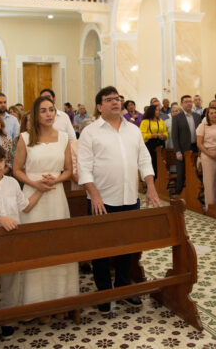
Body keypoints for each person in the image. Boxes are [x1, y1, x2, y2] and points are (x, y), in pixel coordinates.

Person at [78, 86, 161, 314]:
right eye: (109, 99)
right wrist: (94, 194)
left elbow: (144, 159)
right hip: (101, 200)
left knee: (128, 246)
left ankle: (124, 287)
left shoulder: (132, 130)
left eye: (117, 99)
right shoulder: (90, 132)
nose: (115, 102)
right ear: (99, 106)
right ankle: (104, 292)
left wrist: (151, 186)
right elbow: (83, 167)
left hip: (129, 198)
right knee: (101, 250)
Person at [13, 95, 78, 307]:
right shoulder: (24, 138)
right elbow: (16, 170)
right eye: (43, 110)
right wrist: (35, 183)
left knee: (58, 243)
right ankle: (35, 302)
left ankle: (60, 299)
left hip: (56, 195)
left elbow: (68, 170)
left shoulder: (63, 138)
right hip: (33, 196)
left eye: (51, 109)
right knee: (35, 245)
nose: (49, 114)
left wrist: (56, 179)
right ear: (35, 114)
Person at [0, 144, 43, 336]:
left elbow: (25, 207)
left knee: (12, 282)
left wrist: (40, 190)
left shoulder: (12, 183)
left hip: (12, 240)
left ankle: (7, 319)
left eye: (0, 161)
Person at [196, 106, 216, 211]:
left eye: (215, 112)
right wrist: (210, 154)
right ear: (207, 115)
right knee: (209, 182)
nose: (214, 115)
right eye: (211, 113)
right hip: (208, 155)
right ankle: (210, 207)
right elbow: (199, 144)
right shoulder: (203, 126)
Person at [171, 95, 202, 194]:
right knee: (181, 172)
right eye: (186, 102)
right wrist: (177, 151)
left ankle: (193, 193)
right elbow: (174, 136)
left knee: (195, 171)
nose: (189, 103)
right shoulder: (177, 117)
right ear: (181, 104)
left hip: (196, 147)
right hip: (183, 148)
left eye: (190, 101)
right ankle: (178, 193)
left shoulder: (197, 116)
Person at [140, 104, 168, 179]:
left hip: (161, 143)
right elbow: (142, 135)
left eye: (159, 110)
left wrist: (164, 136)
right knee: (153, 163)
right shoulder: (145, 122)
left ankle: (161, 181)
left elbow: (165, 131)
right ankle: (154, 181)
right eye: (157, 110)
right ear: (152, 111)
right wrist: (152, 135)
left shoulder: (161, 121)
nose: (158, 112)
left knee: (161, 163)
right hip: (150, 144)